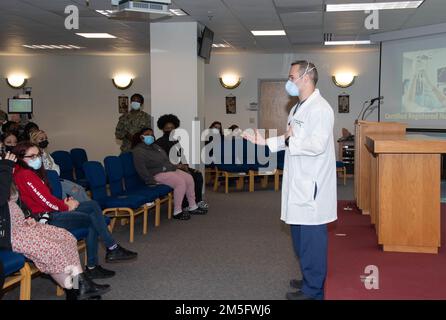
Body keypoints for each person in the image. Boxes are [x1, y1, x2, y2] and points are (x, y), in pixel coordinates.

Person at [243, 61, 337, 300]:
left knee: (311, 243)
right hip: (297, 183)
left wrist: (290, 141)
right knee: (299, 240)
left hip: (312, 187)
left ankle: (313, 291)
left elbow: (316, 146)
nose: (289, 81)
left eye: (291, 76)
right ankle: (308, 280)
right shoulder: (298, 108)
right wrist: (264, 143)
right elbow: (288, 138)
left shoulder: (321, 109)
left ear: (306, 77)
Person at [12, 141, 138, 280]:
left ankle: (110, 251)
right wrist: (66, 206)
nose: (37, 158)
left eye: (38, 155)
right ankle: (103, 257)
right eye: (32, 156)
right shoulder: (24, 174)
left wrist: (64, 202)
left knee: (92, 205)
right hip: (45, 218)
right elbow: (45, 201)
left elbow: (47, 198)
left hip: (51, 211)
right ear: (20, 157)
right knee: (91, 220)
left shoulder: (31, 172)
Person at [0, 151, 109, 300]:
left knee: (66, 238)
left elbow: (19, 203)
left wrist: (28, 217)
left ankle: (80, 286)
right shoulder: (5, 171)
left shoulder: (6, 172)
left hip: (24, 225)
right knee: (54, 248)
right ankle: (74, 291)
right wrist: (5, 168)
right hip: (11, 234)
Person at [131, 128, 207, 220]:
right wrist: (150, 181)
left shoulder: (156, 147)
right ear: (141, 137)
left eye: (152, 134)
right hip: (157, 174)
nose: (150, 136)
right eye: (147, 134)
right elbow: (141, 168)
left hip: (169, 170)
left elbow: (166, 161)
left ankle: (192, 206)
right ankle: (177, 211)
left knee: (189, 178)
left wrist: (177, 167)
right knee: (180, 182)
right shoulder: (138, 151)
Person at [155, 114, 208, 211]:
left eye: (172, 128)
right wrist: (180, 167)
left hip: (181, 167)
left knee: (197, 174)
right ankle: (185, 205)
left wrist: (187, 167)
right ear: (162, 129)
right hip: (170, 169)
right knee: (184, 178)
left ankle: (198, 201)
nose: (170, 130)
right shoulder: (159, 143)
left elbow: (182, 156)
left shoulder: (175, 141)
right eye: (167, 128)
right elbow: (163, 161)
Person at [29, 130, 89, 202]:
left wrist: (54, 174)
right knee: (63, 196)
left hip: (56, 179)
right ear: (34, 141)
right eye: (41, 139)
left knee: (79, 189)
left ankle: (89, 207)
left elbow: (55, 167)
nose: (44, 141)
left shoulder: (46, 153)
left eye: (45, 138)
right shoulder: (34, 157)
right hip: (48, 183)